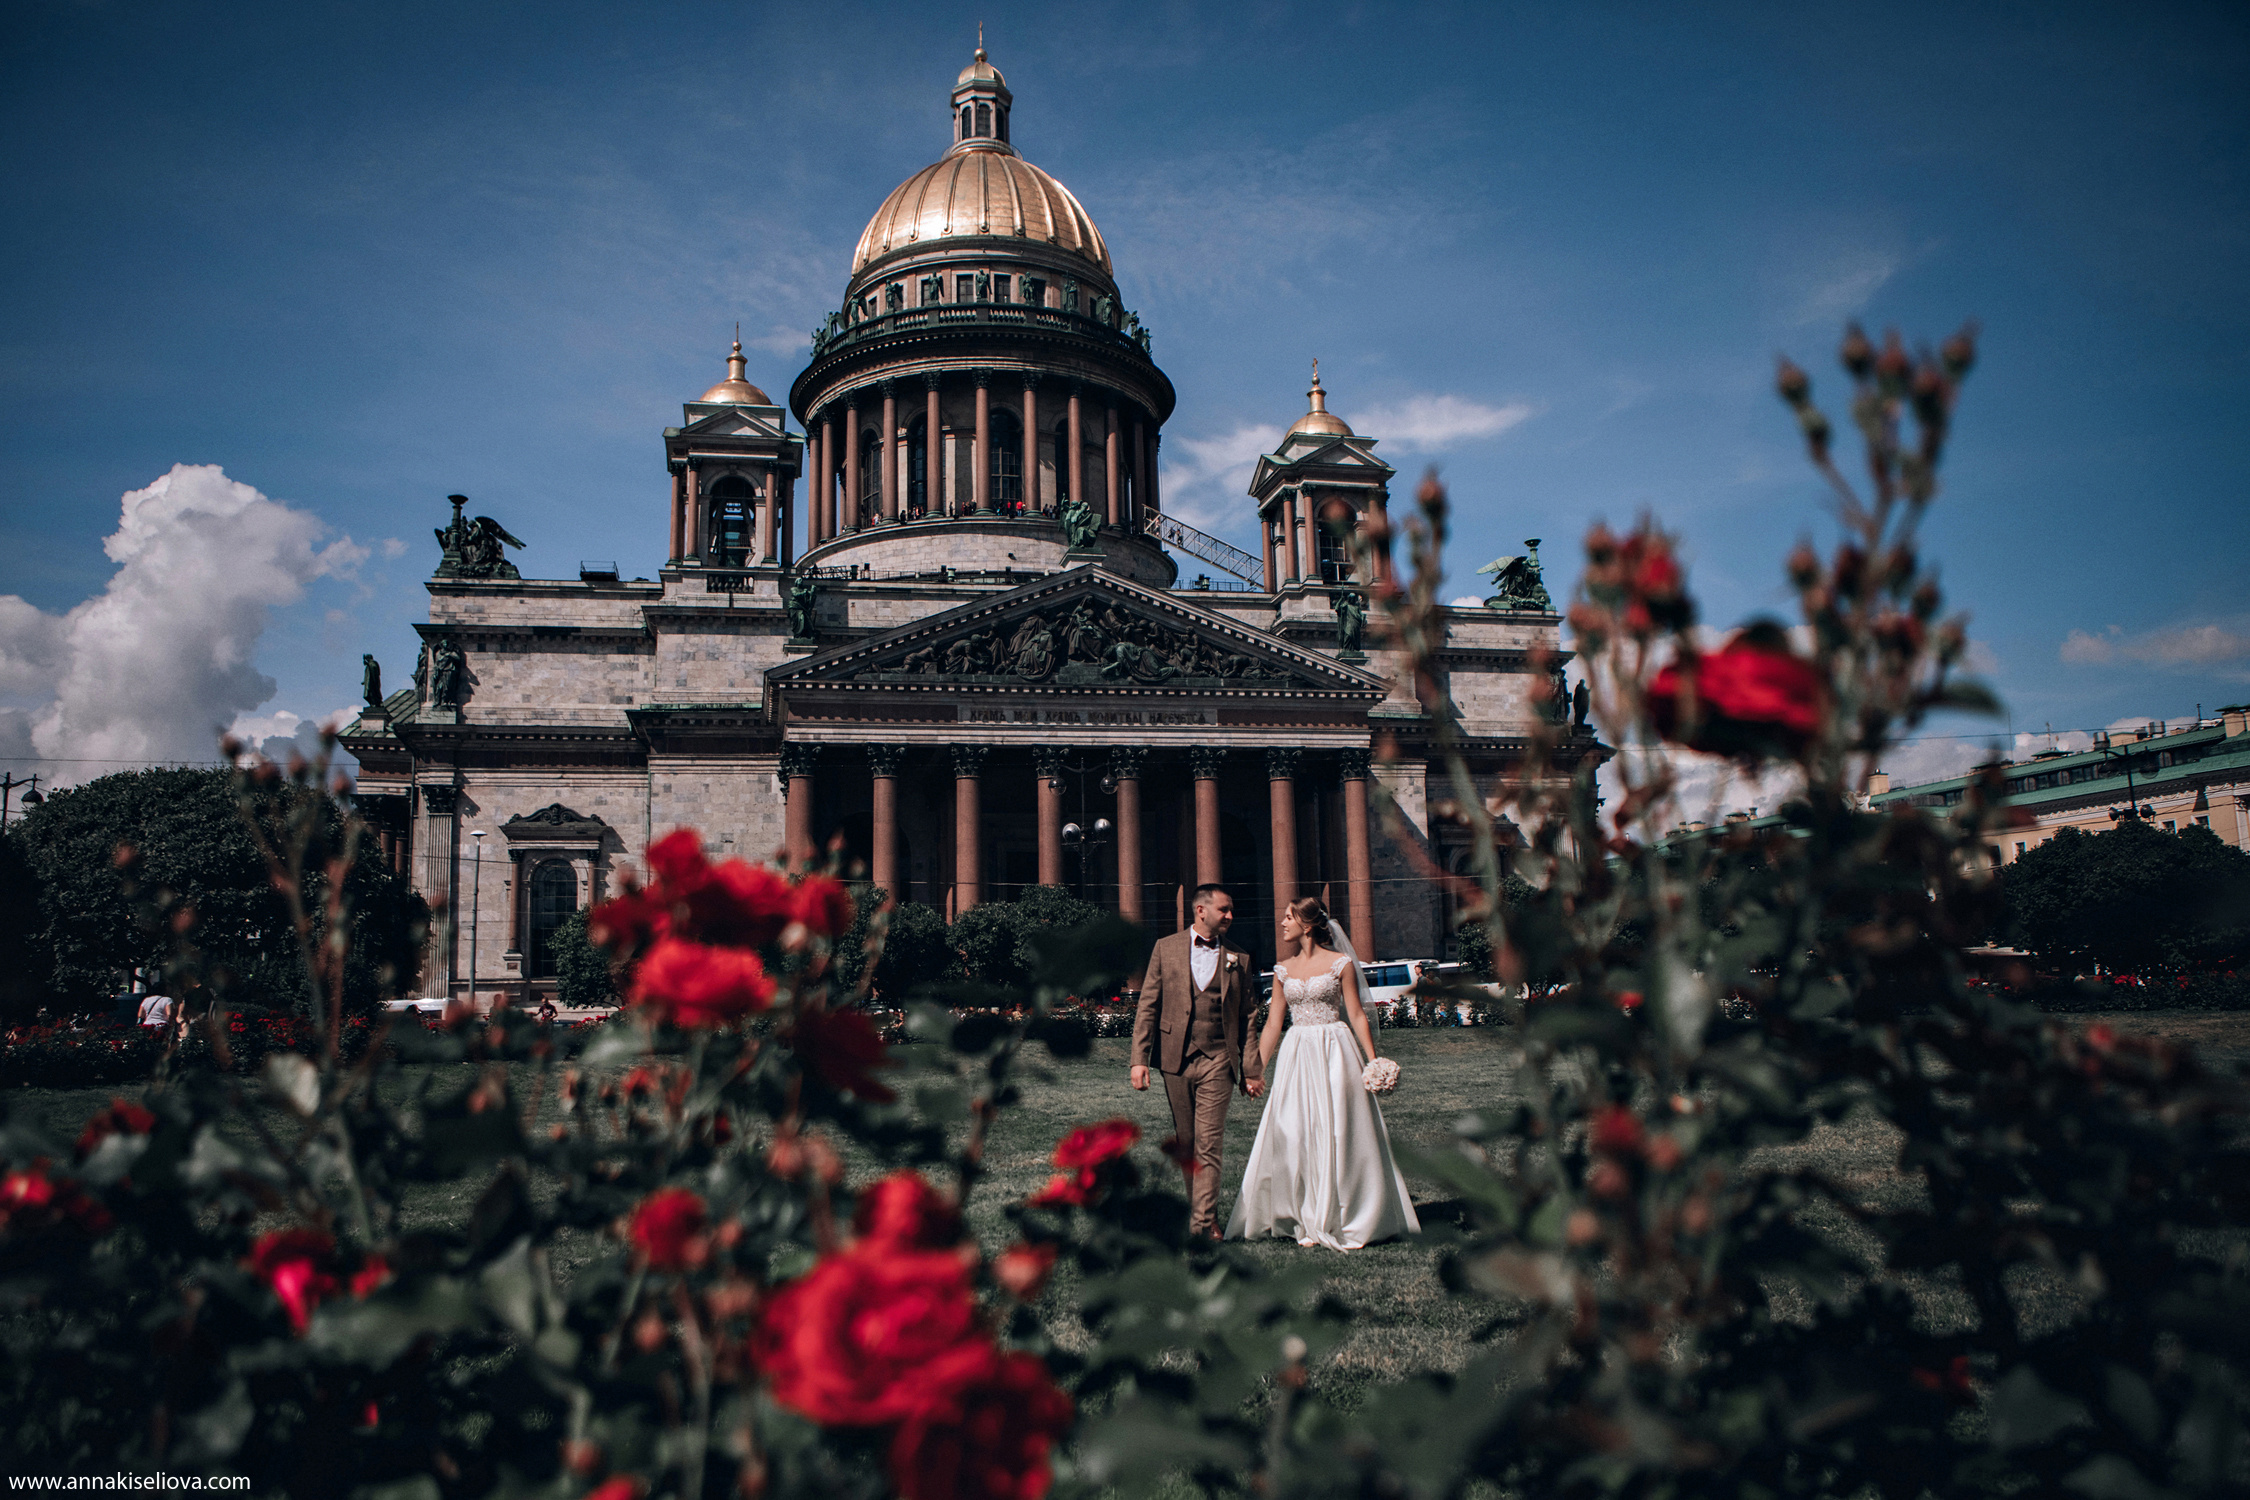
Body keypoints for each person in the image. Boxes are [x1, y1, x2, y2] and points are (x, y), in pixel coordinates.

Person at [1225, 897, 1419, 1249]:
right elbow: (1272, 1025)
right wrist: (1255, 1070)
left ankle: (1346, 1215)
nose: (1282, 923)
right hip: (1297, 1051)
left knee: (1338, 1128)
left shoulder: (1340, 963)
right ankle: (1301, 1214)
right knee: (1294, 1129)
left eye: (1288, 917)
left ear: (1308, 924)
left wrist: (1373, 1061)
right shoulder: (1283, 969)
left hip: (1335, 1049)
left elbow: (1357, 1014)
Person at [1130, 883, 1264, 1239]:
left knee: (1209, 1143)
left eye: (1232, 910)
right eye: (1225, 909)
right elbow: (1148, 1006)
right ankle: (1205, 1215)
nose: (1231, 916)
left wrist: (1252, 1068)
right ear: (1200, 911)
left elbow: (1249, 1016)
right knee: (1187, 1144)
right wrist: (1138, 1059)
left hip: (1219, 1059)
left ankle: (1200, 1225)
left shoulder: (1240, 958)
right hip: (1175, 1058)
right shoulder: (1165, 948)